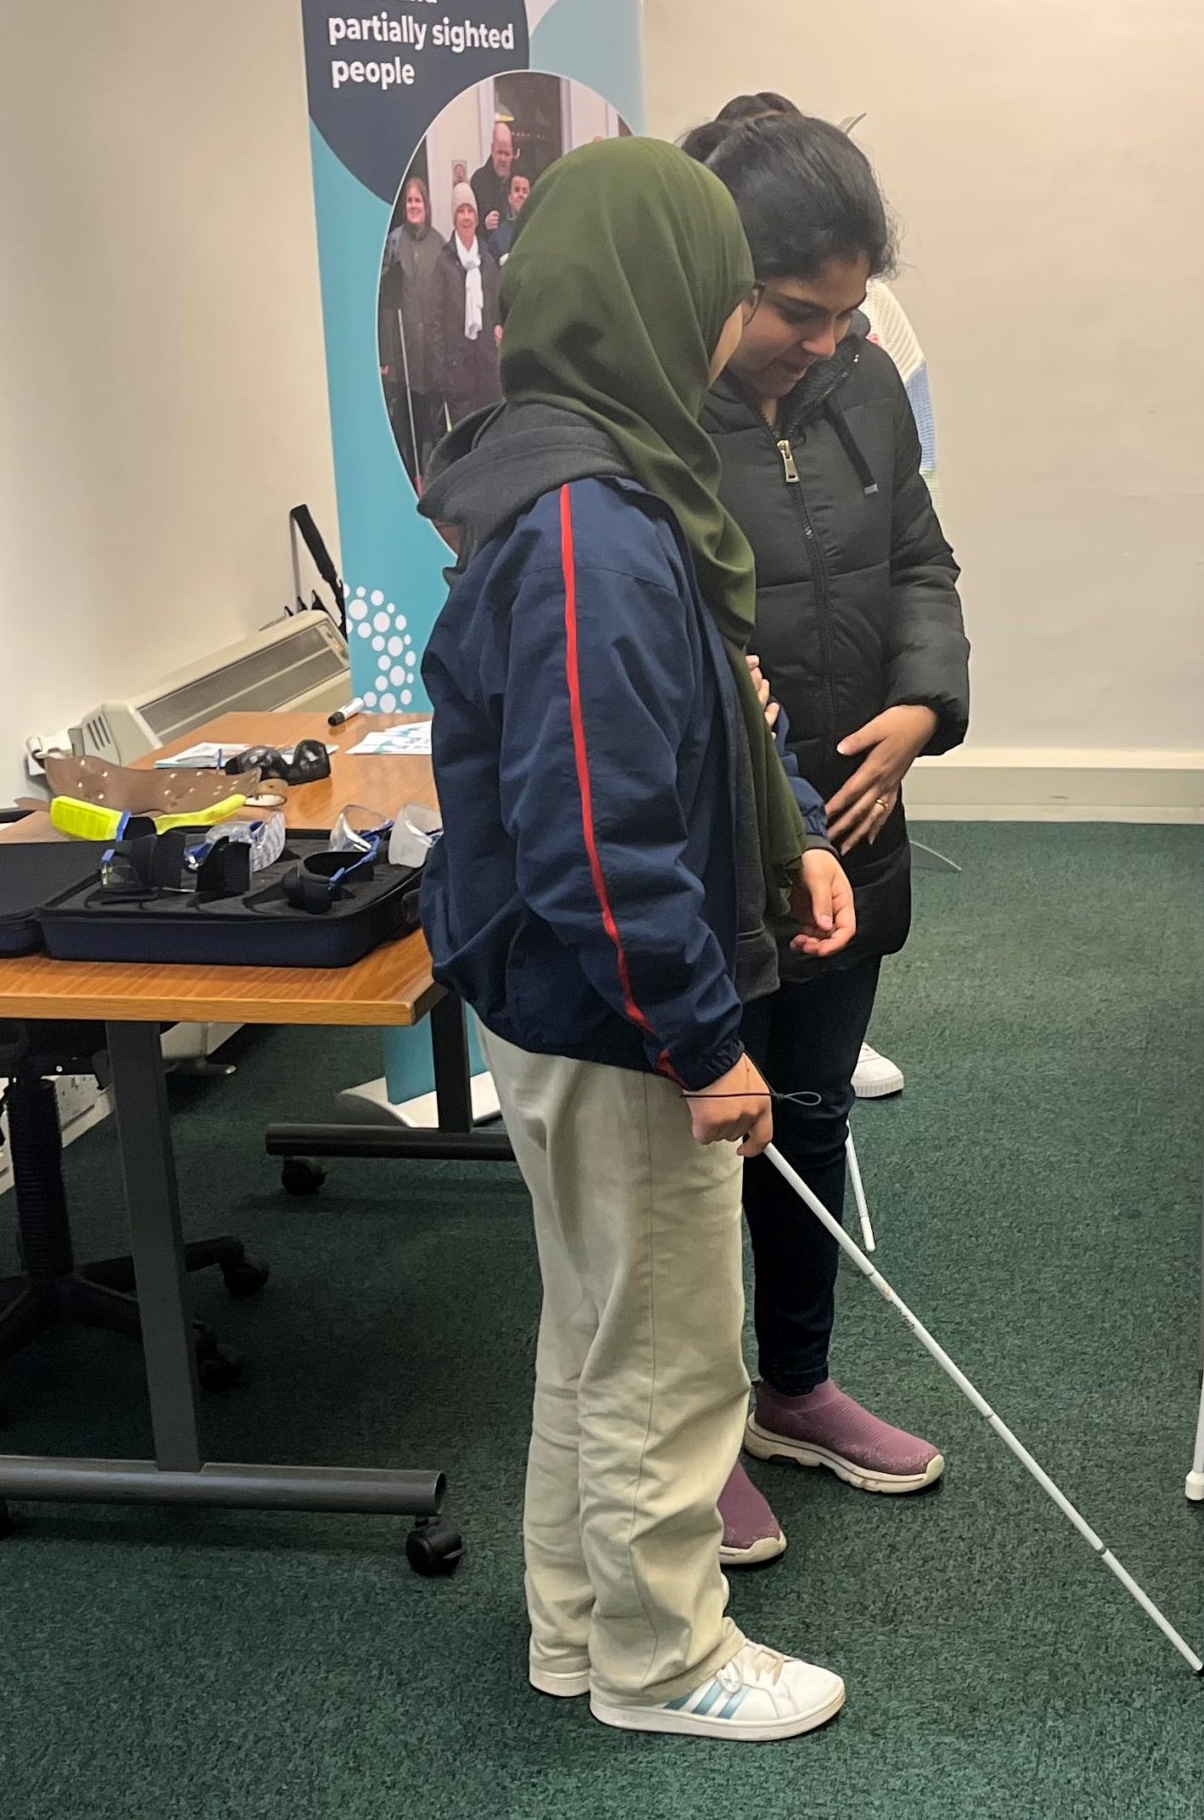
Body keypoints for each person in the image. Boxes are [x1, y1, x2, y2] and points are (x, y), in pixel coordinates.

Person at [415, 137, 860, 1741]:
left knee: (599, 1335)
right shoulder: (595, 523)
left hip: (575, 1008)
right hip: (619, 1021)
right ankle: (664, 1661)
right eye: (728, 290)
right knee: (671, 1355)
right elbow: (598, 835)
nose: (744, 322)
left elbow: (693, 728)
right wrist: (705, 1039)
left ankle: (580, 1630)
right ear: (658, 295)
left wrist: (789, 832)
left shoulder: (590, 477)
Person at [676, 100, 971, 1569]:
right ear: (723, 282)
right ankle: (703, 1425)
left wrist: (920, 713)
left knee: (813, 1114)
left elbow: (921, 559)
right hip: (725, 841)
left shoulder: (859, 388)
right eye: (804, 312)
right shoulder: (655, 421)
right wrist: (775, 804)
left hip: (855, 824)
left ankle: (793, 1389)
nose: (829, 341)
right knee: (713, 1142)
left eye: (851, 316)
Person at [379, 173, 453, 485]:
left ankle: (435, 482)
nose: (413, 205)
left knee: (432, 425)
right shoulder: (395, 243)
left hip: (431, 354)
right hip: (403, 350)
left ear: (427, 204)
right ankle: (410, 482)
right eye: (409, 200)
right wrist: (386, 354)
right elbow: (383, 302)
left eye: (418, 200)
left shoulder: (440, 244)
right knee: (405, 426)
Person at [440, 178, 501, 424]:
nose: (466, 217)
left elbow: (497, 306)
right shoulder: (443, 262)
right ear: (454, 218)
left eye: (470, 211)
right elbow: (436, 319)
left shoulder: (487, 260)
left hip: (486, 369)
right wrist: (444, 367)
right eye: (461, 211)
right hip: (458, 371)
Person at [473, 116, 520, 256]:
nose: (503, 159)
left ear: (513, 154)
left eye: (507, 154)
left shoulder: (519, 180)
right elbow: (467, 224)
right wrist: (483, 224)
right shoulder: (478, 180)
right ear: (492, 150)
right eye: (499, 153)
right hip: (487, 257)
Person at [493, 169, 532, 264]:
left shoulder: (539, 231)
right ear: (509, 198)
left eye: (525, 191)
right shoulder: (497, 239)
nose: (521, 195)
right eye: (517, 190)